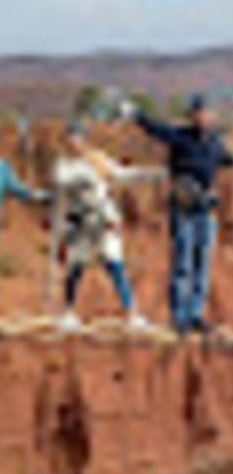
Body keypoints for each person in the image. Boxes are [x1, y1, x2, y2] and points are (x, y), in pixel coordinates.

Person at [124, 95, 233, 334]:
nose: (203, 117)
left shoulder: (214, 142)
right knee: (182, 261)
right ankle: (179, 316)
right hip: (184, 208)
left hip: (205, 208)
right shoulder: (181, 137)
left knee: (201, 262)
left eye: (206, 113)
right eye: (199, 113)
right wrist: (137, 115)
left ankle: (195, 315)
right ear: (191, 116)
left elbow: (224, 159)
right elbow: (157, 130)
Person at [51, 121, 160, 332]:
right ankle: (68, 313)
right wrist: (87, 172)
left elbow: (121, 174)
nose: (74, 142)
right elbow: (61, 183)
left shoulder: (97, 159)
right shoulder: (64, 165)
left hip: (102, 218)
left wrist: (151, 174)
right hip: (79, 221)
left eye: (77, 137)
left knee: (114, 263)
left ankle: (131, 313)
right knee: (76, 265)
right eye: (70, 138)